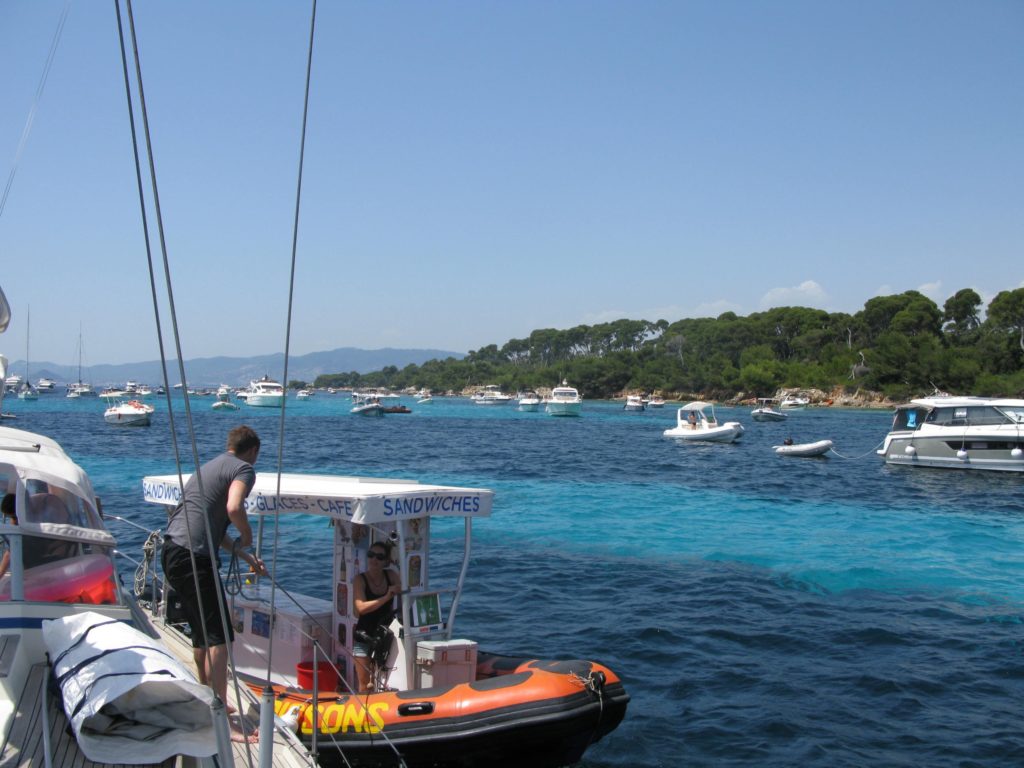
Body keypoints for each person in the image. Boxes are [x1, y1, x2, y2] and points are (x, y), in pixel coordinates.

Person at [161, 425, 266, 742]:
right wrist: (247, 535)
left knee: (201, 633)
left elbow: (211, 528)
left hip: (172, 553)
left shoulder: (208, 468)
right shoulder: (244, 469)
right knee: (220, 637)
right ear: (253, 451)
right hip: (194, 559)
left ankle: (207, 698)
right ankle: (221, 718)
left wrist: (244, 556)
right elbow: (234, 508)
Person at [352, 541, 400, 692]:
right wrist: (386, 597)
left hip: (385, 636)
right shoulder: (360, 579)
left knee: (384, 679)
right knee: (365, 683)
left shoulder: (391, 575)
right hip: (364, 635)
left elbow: (404, 590)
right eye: (371, 555)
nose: (374, 560)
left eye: (379, 557)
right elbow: (361, 608)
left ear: (386, 561)